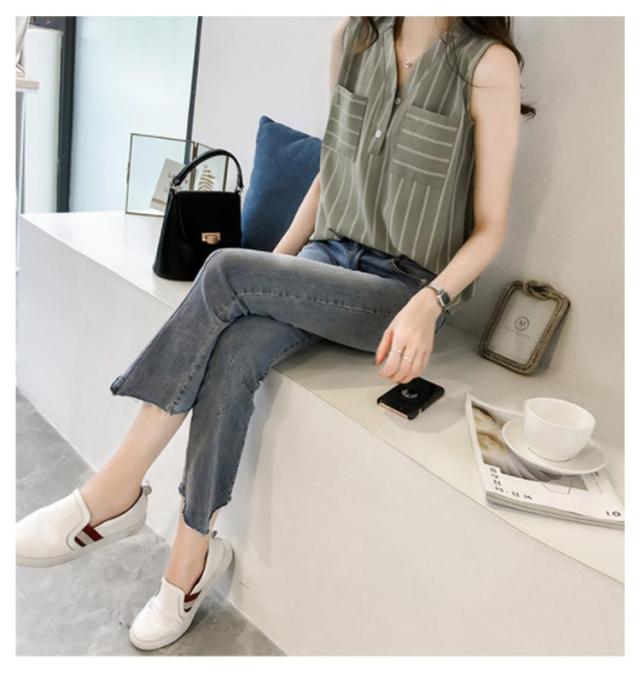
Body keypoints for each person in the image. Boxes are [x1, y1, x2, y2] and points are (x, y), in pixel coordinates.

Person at [16, 16, 528, 651]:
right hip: (323, 261)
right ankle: (189, 565)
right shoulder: (355, 38)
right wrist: (276, 272)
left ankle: (112, 492)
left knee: (225, 269)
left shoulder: (487, 66)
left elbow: (491, 227)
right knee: (234, 349)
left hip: (401, 293)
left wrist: (433, 301)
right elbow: (330, 169)